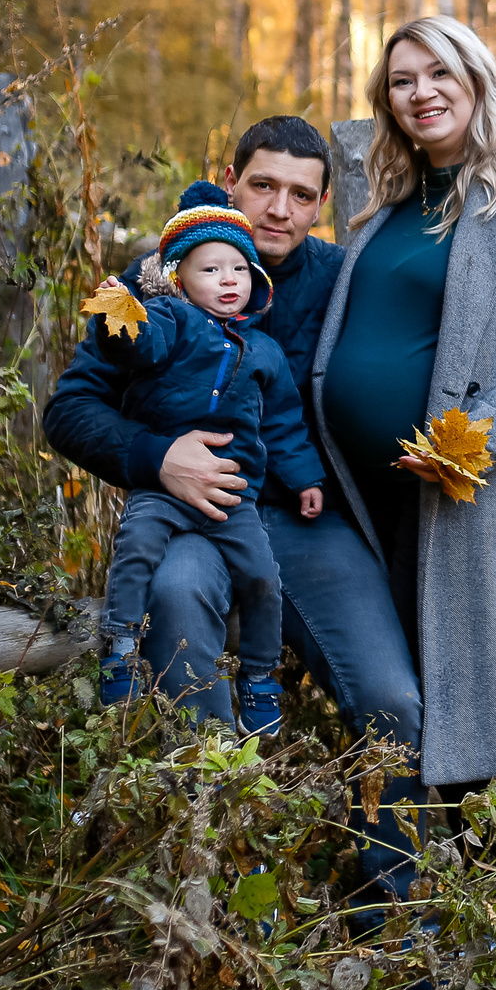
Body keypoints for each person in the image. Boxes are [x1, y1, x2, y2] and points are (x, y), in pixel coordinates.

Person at [43, 117, 430, 908]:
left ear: (322, 205)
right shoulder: (161, 275)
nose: (277, 208)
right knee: (178, 596)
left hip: (307, 520)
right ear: (230, 180)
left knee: (392, 699)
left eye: (299, 194)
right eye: (262, 185)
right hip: (194, 512)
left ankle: (395, 908)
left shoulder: (340, 278)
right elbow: (69, 408)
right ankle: (223, 873)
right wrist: (160, 458)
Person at [312, 13, 496, 894]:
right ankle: (408, 880)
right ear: (385, 100)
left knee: (474, 680)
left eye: (440, 73)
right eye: (402, 80)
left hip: (468, 489)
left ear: (476, 79)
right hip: (365, 492)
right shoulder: (382, 203)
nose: (421, 92)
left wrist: (471, 436)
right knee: (402, 683)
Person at [83, 183, 326, 734]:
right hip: (166, 490)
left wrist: (305, 475)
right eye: (210, 271)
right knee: (137, 549)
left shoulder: (263, 350)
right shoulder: (171, 324)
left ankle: (261, 679)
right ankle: (120, 644)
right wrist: (117, 311)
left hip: (234, 498)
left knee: (264, 579)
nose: (228, 282)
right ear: (179, 281)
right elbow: (134, 344)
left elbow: (283, 421)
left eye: (238, 270)